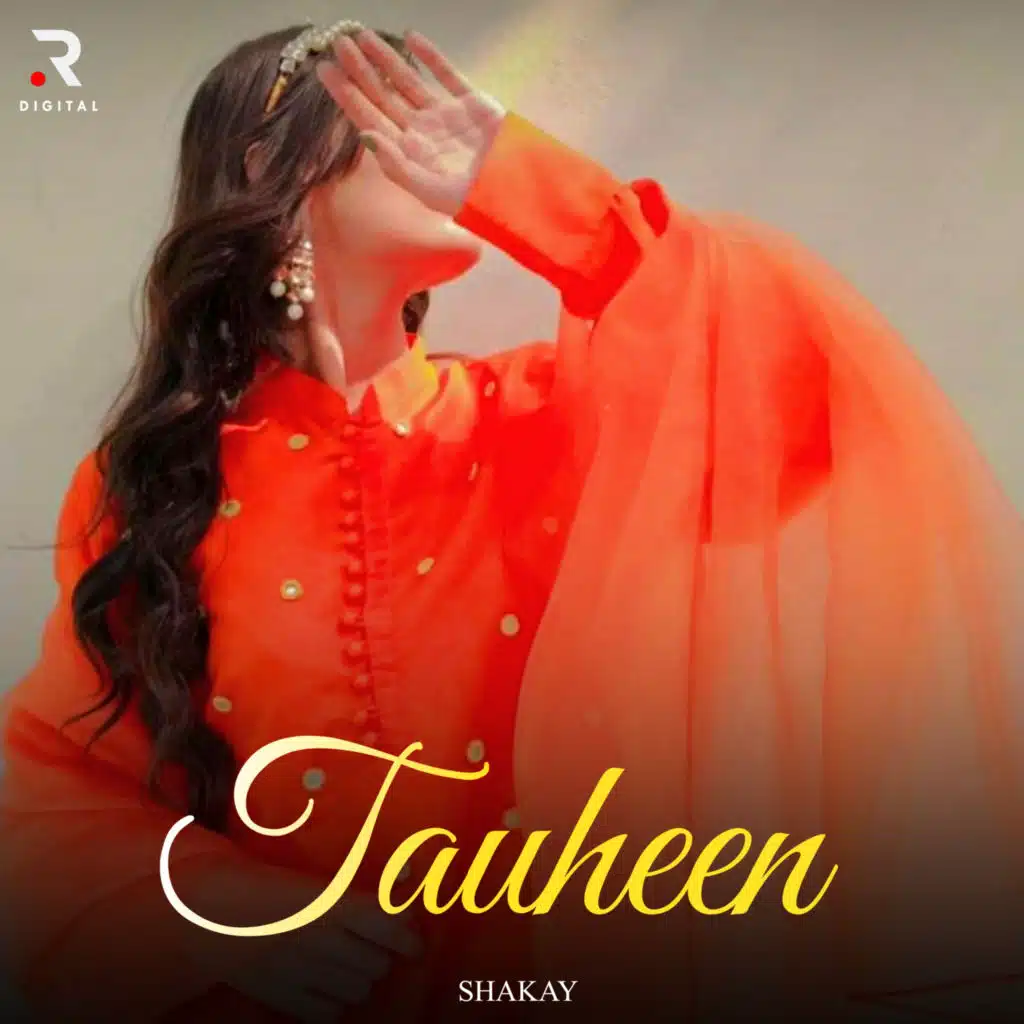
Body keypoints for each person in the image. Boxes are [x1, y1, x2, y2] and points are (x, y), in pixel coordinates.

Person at [1, 18, 1022, 1024]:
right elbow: (50, 788)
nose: (446, 136)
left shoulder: (551, 417)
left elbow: (797, 378)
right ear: (273, 166)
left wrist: (543, 200)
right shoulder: (159, 483)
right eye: (394, 108)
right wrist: (221, 908)